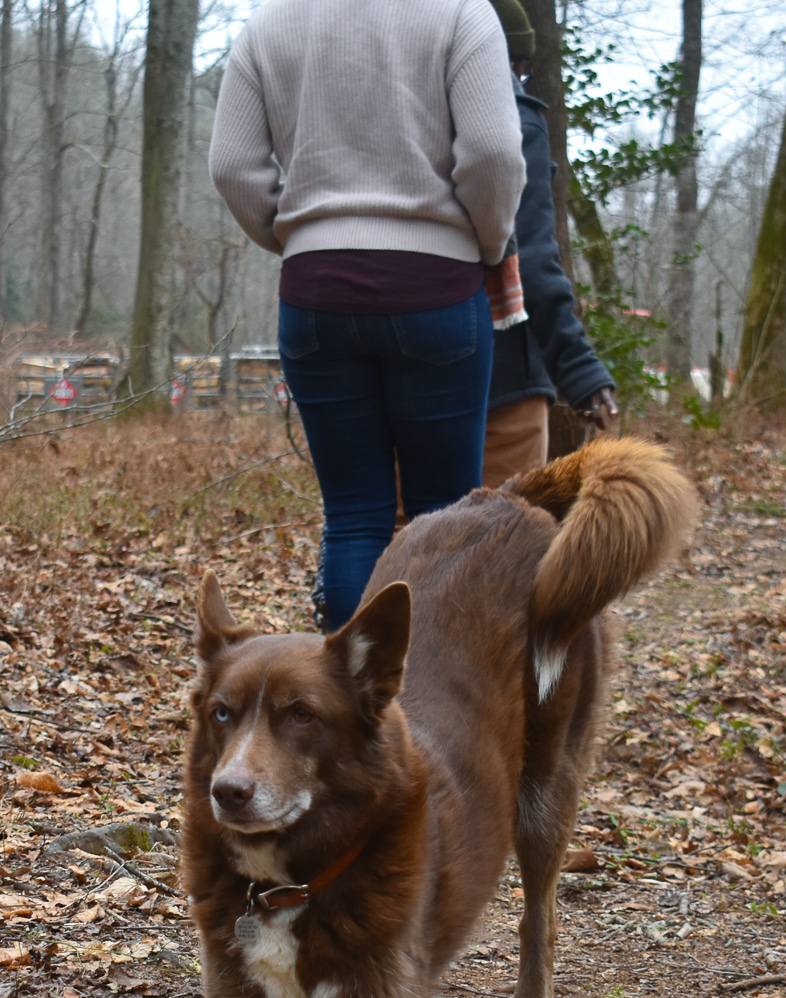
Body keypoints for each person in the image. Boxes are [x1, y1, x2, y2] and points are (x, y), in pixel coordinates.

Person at [209, 0, 525, 630]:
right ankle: (434, 690)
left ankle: (351, 691)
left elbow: (231, 166)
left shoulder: (269, 23)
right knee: (444, 515)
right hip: (438, 286)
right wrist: (488, 243)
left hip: (315, 292)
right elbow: (493, 152)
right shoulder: (461, 12)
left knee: (354, 515)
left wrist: (302, 238)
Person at [481, 0, 619, 489]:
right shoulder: (516, 122)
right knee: (504, 522)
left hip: (390, 346)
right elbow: (532, 262)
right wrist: (580, 370)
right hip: (500, 371)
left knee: (394, 522)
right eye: (521, 68)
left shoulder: (408, 115)